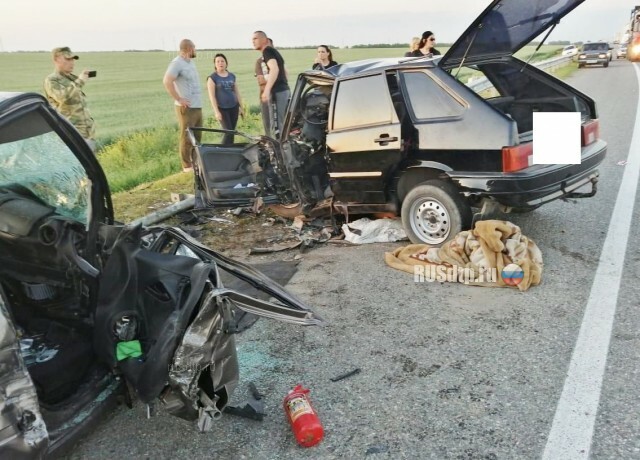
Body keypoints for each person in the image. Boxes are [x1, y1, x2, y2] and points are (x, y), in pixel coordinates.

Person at [43, 47, 97, 152]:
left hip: (87, 133)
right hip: (71, 133)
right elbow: (62, 97)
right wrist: (80, 81)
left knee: (90, 167)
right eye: (67, 59)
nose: (72, 62)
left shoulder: (71, 78)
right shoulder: (51, 80)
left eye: (73, 59)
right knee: (75, 166)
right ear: (56, 60)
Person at [163, 39, 203, 172]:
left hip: (197, 105)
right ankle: (187, 166)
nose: (196, 50)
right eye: (194, 47)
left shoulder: (190, 62)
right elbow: (167, 81)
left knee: (197, 135)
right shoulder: (177, 63)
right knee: (186, 136)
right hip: (186, 107)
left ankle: (196, 162)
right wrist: (179, 99)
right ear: (189, 48)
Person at [252, 30, 290, 138]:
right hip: (283, 90)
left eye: (255, 39)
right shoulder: (273, 52)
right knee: (281, 126)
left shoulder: (267, 51)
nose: (253, 42)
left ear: (265, 40)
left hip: (277, 92)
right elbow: (285, 73)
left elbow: (274, 69)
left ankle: (278, 153)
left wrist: (267, 89)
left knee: (276, 129)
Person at [207, 53, 244, 145]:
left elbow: (237, 92)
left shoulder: (232, 76)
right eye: (218, 61)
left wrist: (241, 107)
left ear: (226, 63)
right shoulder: (212, 78)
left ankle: (229, 152)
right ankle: (221, 151)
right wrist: (216, 111)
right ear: (215, 64)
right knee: (228, 132)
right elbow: (212, 96)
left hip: (234, 107)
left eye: (222, 61)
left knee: (232, 132)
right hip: (222, 109)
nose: (220, 63)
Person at [254, 38, 273, 135]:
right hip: (265, 96)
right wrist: (274, 79)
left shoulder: (277, 60)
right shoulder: (259, 62)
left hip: (279, 95)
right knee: (268, 123)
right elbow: (261, 81)